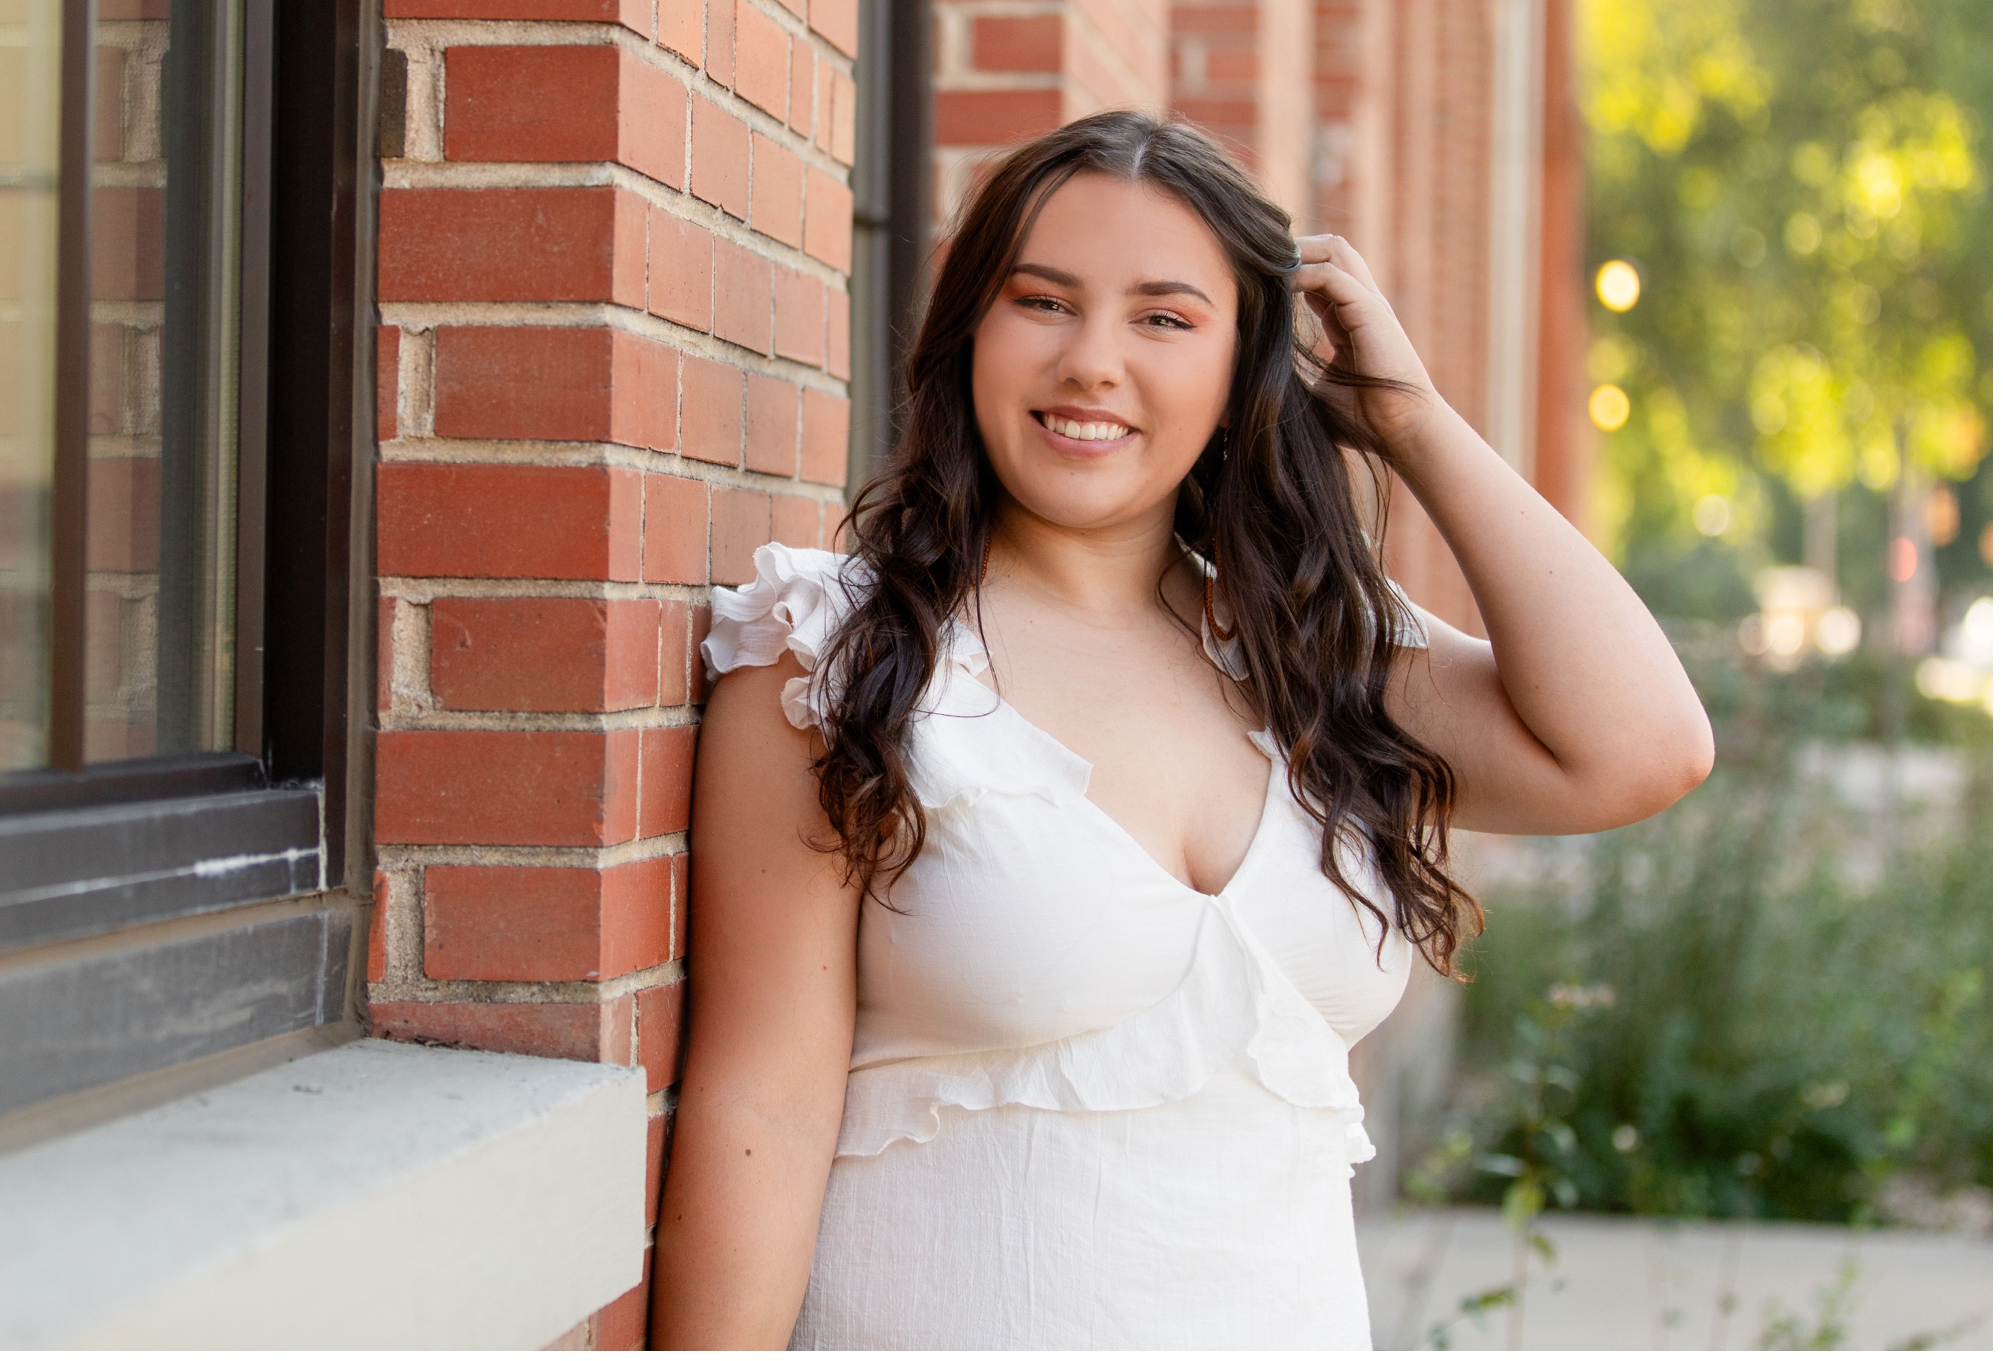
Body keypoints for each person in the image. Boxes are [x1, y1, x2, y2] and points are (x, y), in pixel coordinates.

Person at [649, 112, 1713, 1350]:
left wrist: (1412, 416)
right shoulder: (840, 654)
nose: (1093, 361)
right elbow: (763, 1108)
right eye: (1042, 301)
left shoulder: (1312, 655)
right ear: (971, 333)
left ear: (1239, 371)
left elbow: (1641, 746)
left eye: (1164, 317)